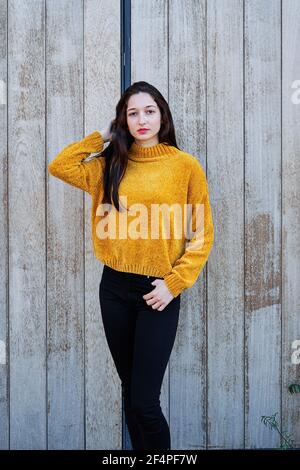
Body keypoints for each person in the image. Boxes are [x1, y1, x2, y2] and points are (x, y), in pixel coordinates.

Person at [48, 80, 214, 451]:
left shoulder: (184, 166)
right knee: (131, 395)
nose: (142, 119)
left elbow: (202, 233)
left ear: (162, 116)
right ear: (123, 120)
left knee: (144, 402)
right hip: (114, 289)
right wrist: (102, 137)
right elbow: (60, 166)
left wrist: (175, 282)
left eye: (149, 111)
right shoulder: (110, 165)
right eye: (132, 113)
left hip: (159, 292)